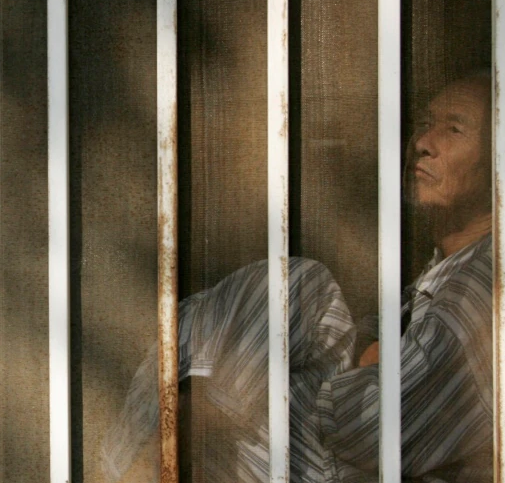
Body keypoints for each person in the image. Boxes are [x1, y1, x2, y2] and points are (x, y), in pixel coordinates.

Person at [102, 72, 494, 482]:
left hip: (352, 460)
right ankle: (187, 429)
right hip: (328, 446)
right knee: (291, 290)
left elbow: (374, 428)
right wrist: (363, 354)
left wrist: (313, 381)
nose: (423, 142)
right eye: (425, 123)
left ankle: (180, 435)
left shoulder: (480, 288)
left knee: (288, 300)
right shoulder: (444, 274)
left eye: (454, 130)